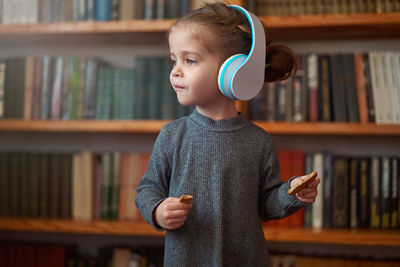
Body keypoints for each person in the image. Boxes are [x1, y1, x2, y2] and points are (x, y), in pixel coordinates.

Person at [135, 3, 320, 266]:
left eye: (189, 60)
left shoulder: (259, 142)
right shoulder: (172, 136)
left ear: (235, 71)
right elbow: (147, 190)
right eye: (174, 60)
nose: (175, 70)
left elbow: (267, 204)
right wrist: (157, 211)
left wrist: (291, 194)